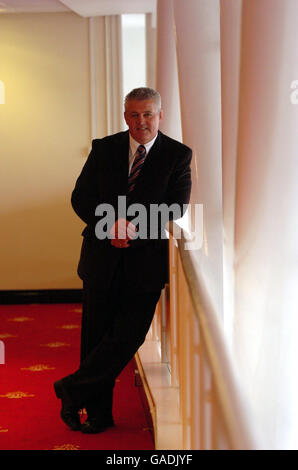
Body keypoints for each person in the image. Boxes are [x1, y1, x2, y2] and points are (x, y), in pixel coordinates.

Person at [54, 87, 192, 434]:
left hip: (144, 264)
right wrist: (109, 224)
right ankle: (98, 414)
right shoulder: (105, 148)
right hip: (101, 258)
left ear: (160, 116)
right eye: (134, 114)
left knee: (129, 336)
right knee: (96, 338)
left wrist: (131, 226)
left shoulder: (177, 154)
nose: (141, 121)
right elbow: (80, 197)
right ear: (124, 115)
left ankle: (73, 389)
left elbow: (176, 205)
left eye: (148, 114)